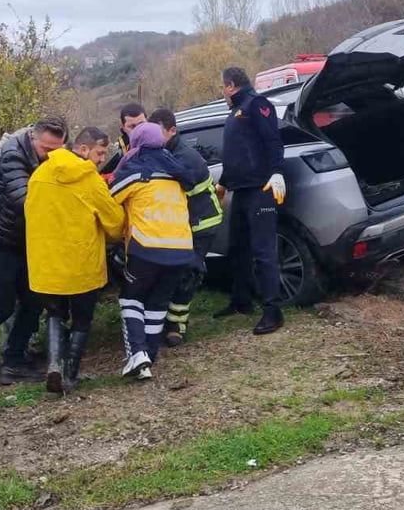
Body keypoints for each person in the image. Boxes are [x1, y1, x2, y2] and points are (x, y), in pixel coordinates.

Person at [0, 117, 67, 384]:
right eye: (46, 149)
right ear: (33, 137)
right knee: (3, 304)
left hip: (24, 240)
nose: (51, 156)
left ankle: (14, 359)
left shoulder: (51, 154)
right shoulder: (12, 155)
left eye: (57, 150)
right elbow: (25, 200)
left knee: (34, 299)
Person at [25, 127, 123, 393]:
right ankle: (70, 375)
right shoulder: (90, 180)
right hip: (82, 265)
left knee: (54, 314)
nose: (102, 159)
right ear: (83, 149)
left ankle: (54, 365)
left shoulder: (40, 174)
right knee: (82, 319)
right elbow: (115, 224)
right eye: (100, 153)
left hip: (46, 265)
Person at [110, 122, 197, 380]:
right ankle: (149, 356)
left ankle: (137, 354)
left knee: (131, 298)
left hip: (146, 248)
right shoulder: (177, 173)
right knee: (157, 302)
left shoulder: (136, 172)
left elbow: (109, 198)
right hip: (182, 250)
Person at [215, 67, 286, 335]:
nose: (223, 92)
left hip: (260, 187)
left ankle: (273, 311)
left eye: (223, 86)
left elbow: (273, 141)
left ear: (231, 85)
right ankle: (241, 301)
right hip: (241, 190)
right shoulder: (235, 111)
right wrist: (223, 182)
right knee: (238, 248)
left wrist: (277, 172)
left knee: (263, 252)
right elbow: (235, 154)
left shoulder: (256, 104)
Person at [150, 108, 223, 347]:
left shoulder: (184, 158)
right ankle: (165, 320)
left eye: (157, 132)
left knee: (188, 271)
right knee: (173, 271)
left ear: (172, 131)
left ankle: (176, 325)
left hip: (201, 223)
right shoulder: (166, 152)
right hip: (183, 224)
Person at [100, 102, 148, 176]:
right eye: (132, 127)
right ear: (123, 128)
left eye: (141, 124)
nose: (138, 130)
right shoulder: (116, 152)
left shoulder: (162, 144)